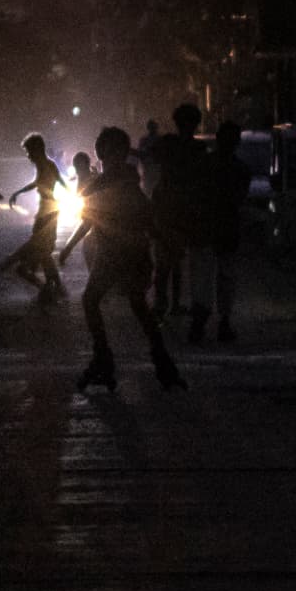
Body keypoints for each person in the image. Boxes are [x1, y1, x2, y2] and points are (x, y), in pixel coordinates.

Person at [61, 127, 185, 392]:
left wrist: (69, 247)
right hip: (130, 252)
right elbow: (146, 217)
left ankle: (105, 358)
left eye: (109, 152)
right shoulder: (127, 180)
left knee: (94, 301)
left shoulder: (111, 182)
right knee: (138, 307)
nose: (107, 157)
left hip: (114, 254)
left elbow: (91, 219)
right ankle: (161, 363)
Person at [181, 120, 249, 344]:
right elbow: (239, 200)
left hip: (206, 229)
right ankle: (219, 323)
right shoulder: (238, 169)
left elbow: (192, 198)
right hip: (223, 229)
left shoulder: (205, 165)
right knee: (224, 277)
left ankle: (201, 323)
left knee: (204, 278)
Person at [0, 134, 66, 302]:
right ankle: (54, 289)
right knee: (41, 257)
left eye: (29, 152)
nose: (28, 156)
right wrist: (19, 192)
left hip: (47, 217)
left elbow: (55, 183)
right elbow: (41, 182)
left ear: (37, 150)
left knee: (24, 258)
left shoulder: (47, 166)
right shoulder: (45, 166)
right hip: (46, 216)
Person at [149, 103, 207, 315]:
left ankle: (162, 303)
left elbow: (151, 157)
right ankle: (170, 303)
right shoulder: (198, 149)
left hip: (166, 206)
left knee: (165, 259)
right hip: (183, 208)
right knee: (175, 260)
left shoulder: (169, 143)